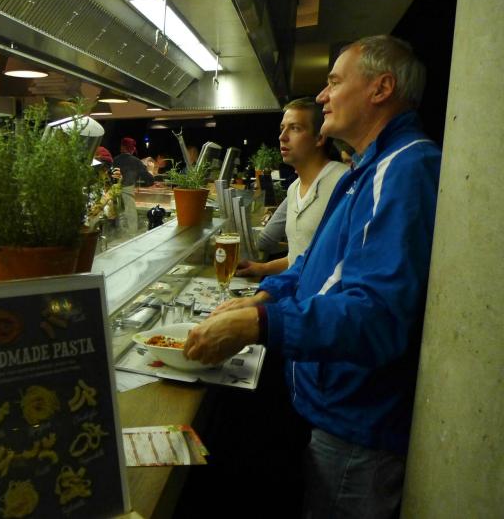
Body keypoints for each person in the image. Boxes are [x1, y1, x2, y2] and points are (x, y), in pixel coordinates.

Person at [184, 35, 441, 518]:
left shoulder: (406, 169)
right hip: (329, 408)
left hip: (357, 429)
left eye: (334, 82)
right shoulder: (367, 168)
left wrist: (260, 325)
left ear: (381, 88)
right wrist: (262, 298)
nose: (322, 95)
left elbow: (377, 316)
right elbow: (314, 263)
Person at [237, 98, 348, 278]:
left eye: (295, 128)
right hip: (297, 292)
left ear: (320, 138)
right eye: (282, 128)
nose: (282, 137)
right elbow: (297, 257)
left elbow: (342, 260)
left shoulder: (344, 182)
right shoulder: (294, 188)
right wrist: (262, 268)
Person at [113, 137, 154, 235]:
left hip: (113, 197)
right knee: (130, 227)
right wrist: (151, 170)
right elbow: (149, 181)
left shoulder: (114, 160)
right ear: (132, 149)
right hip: (127, 197)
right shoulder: (136, 161)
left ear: (122, 147)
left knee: (118, 225)